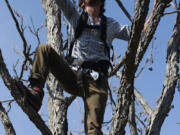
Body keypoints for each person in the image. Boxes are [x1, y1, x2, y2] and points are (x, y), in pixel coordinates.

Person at [26, 0, 166, 134]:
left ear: (101, 3)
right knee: (44, 50)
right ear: (82, 3)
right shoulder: (75, 16)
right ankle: (36, 93)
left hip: (97, 83)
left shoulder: (110, 24)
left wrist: (155, 8)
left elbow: (139, 32)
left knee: (93, 129)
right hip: (73, 76)